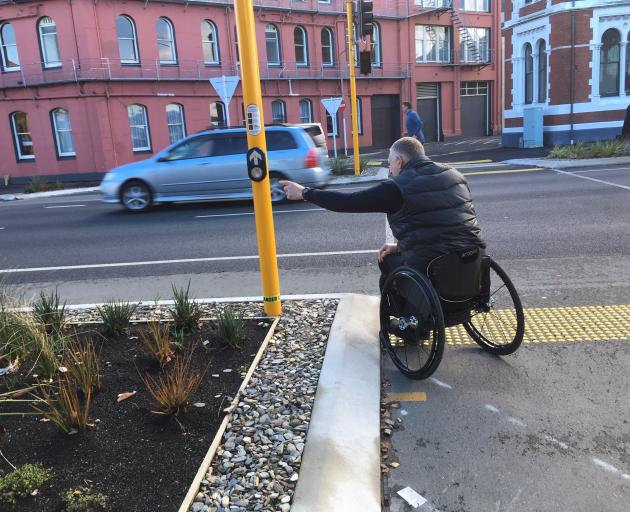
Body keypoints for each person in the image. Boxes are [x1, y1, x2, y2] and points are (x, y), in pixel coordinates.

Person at [280, 137, 485, 290]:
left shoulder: (396, 187)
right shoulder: (455, 174)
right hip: (471, 257)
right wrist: (399, 246)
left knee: (388, 261)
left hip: (432, 264)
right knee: (397, 252)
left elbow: (348, 202)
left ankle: (412, 324)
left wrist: (305, 192)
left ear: (399, 161)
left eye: (389, 163)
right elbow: (443, 224)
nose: (389, 170)